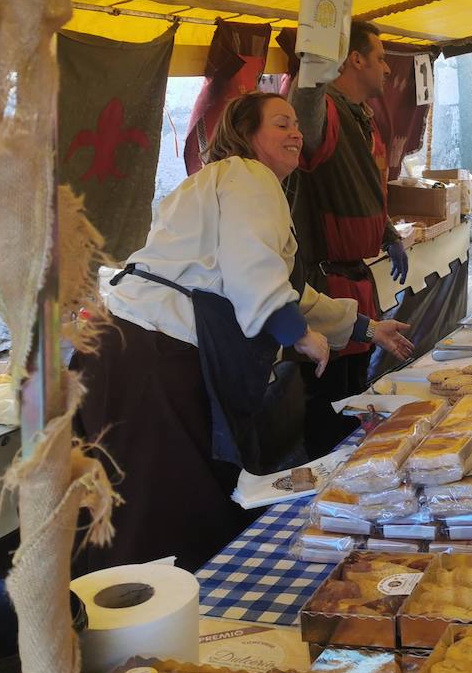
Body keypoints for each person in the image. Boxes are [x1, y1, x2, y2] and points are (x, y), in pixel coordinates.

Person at [73, 92, 414, 570]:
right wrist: (295, 333)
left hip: (128, 351)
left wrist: (365, 326)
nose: (296, 133)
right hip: (150, 356)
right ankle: (166, 617)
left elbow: (285, 288)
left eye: (296, 124)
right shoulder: (247, 176)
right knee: (163, 504)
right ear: (247, 135)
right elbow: (253, 269)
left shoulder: (229, 186)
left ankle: (156, 608)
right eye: (280, 124)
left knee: (146, 496)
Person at [290, 21, 411, 455]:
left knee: (357, 391)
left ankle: (356, 467)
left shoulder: (364, 119)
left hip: (357, 281)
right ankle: (331, 486)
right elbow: (305, 116)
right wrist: (315, 59)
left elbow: (365, 188)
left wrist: (388, 231)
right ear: (355, 58)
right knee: (331, 404)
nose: (386, 69)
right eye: (379, 58)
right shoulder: (327, 112)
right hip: (325, 282)